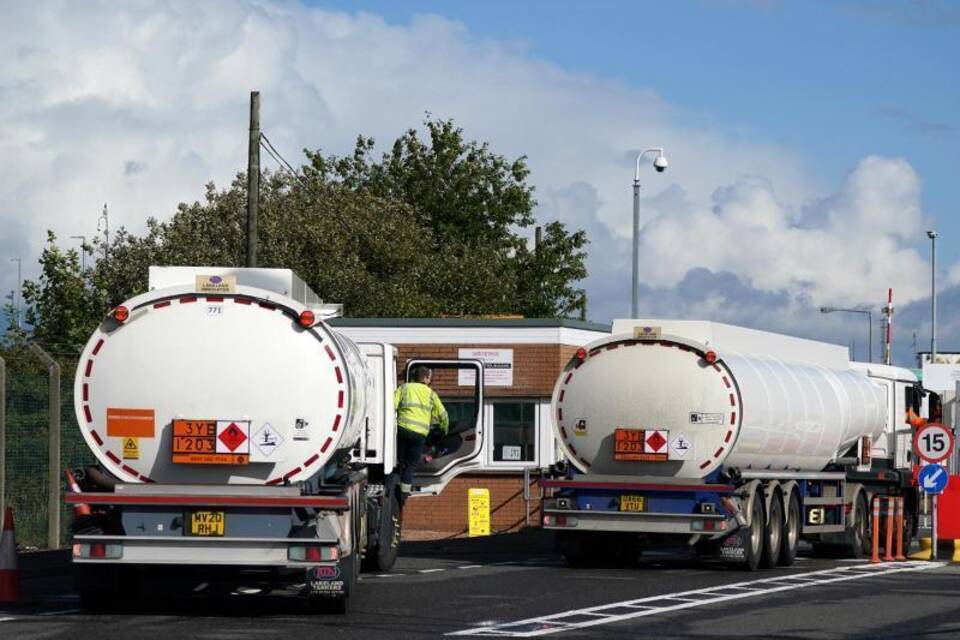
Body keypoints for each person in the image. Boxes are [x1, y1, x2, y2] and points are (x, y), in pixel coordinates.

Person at [395, 365, 449, 495]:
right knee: (411, 464)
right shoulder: (431, 394)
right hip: (419, 435)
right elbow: (443, 415)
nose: (430, 380)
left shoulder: (404, 388)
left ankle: (395, 480)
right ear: (425, 378)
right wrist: (445, 429)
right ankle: (404, 492)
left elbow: (392, 405)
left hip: (403, 429)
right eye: (429, 377)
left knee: (399, 460)